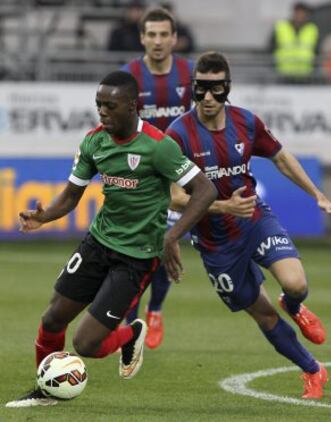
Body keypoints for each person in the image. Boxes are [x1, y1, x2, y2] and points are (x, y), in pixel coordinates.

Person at [5, 70, 217, 408]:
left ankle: (130, 333)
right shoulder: (94, 141)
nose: (102, 112)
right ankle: (46, 391)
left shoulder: (158, 147)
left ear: (132, 106)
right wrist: (43, 217)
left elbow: (206, 190)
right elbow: (73, 195)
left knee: (86, 343)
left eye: (110, 105)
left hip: (136, 256)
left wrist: (172, 236)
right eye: (98, 105)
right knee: (52, 319)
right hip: (98, 242)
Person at [168, 51, 331, 399]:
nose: (208, 98)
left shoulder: (246, 122)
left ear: (227, 88)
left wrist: (319, 195)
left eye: (216, 89)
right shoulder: (178, 135)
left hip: (254, 220)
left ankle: (295, 305)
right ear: (193, 89)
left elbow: (281, 157)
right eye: (201, 89)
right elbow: (175, 198)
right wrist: (224, 206)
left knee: (296, 284)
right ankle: (313, 370)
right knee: (263, 315)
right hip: (215, 244)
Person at [121, 6, 194, 349]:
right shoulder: (129, 76)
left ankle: (156, 310)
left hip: (177, 175)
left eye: (164, 34)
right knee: (133, 250)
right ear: (142, 39)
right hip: (139, 173)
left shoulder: (190, 75)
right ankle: (129, 323)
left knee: (165, 245)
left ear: (175, 38)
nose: (158, 41)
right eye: (151, 34)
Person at [268, 2, 319, 83]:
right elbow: (270, 48)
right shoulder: (281, 27)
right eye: (298, 12)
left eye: (302, 12)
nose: (300, 15)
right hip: (284, 73)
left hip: (305, 75)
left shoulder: (312, 29)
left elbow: (317, 51)